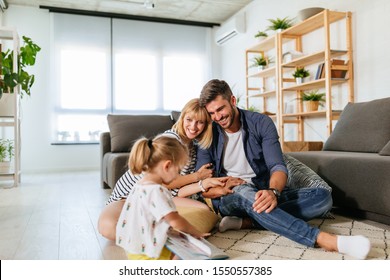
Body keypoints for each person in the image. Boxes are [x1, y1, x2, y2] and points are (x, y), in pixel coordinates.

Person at [195, 79, 371, 260]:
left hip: (261, 191)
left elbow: (277, 166)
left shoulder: (260, 123)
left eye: (220, 109)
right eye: (212, 113)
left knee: (323, 197)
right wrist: (224, 188)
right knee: (244, 191)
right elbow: (204, 188)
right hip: (229, 197)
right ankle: (326, 240)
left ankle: (249, 222)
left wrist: (273, 191)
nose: (217, 117)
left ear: (232, 101)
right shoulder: (208, 133)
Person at [98, 98, 227, 241]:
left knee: (203, 211)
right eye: (189, 119)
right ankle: (152, 235)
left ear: (206, 125)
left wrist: (203, 184)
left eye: (200, 122)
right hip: (128, 197)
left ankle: (158, 234)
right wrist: (198, 176)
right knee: (108, 227)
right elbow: (167, 183)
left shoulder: (194, 147)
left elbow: (175, 190)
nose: (193, 126)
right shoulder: (170, 140)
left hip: (162, 196)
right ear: (182, 117)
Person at [116, 135, 210, 260]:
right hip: (150, 254)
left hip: (134, 250)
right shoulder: (157, 191)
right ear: (167, 166)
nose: (178, 176)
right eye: (178, 170)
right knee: (192, 254)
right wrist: (195, 232)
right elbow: (175, 220)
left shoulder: (139, 186)